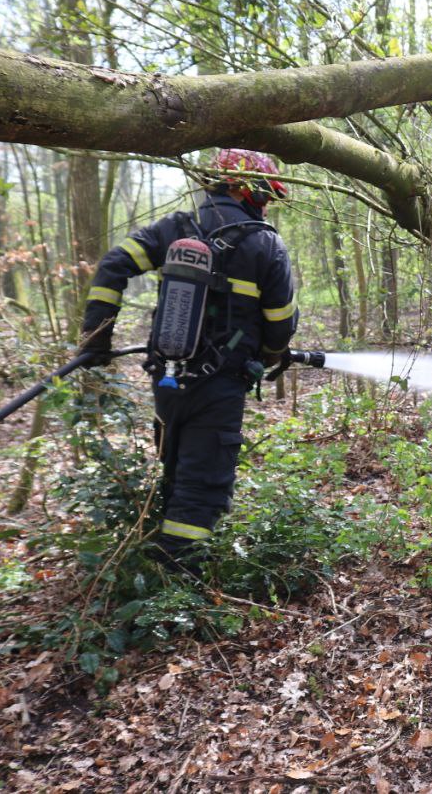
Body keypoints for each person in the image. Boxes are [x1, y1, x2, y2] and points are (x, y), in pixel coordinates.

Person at [78, 149, 298, 571]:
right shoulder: (264, 242)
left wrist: (96, 341)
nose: (267, 203)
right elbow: (280, 321)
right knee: (203, 487)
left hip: (167, 377)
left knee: (176, 469)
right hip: (220, 385)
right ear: (245, 189)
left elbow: (113, 265)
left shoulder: (177, 227)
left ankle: (156, 560)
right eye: (266, 194)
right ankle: (177, 586)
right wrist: (273, 354)